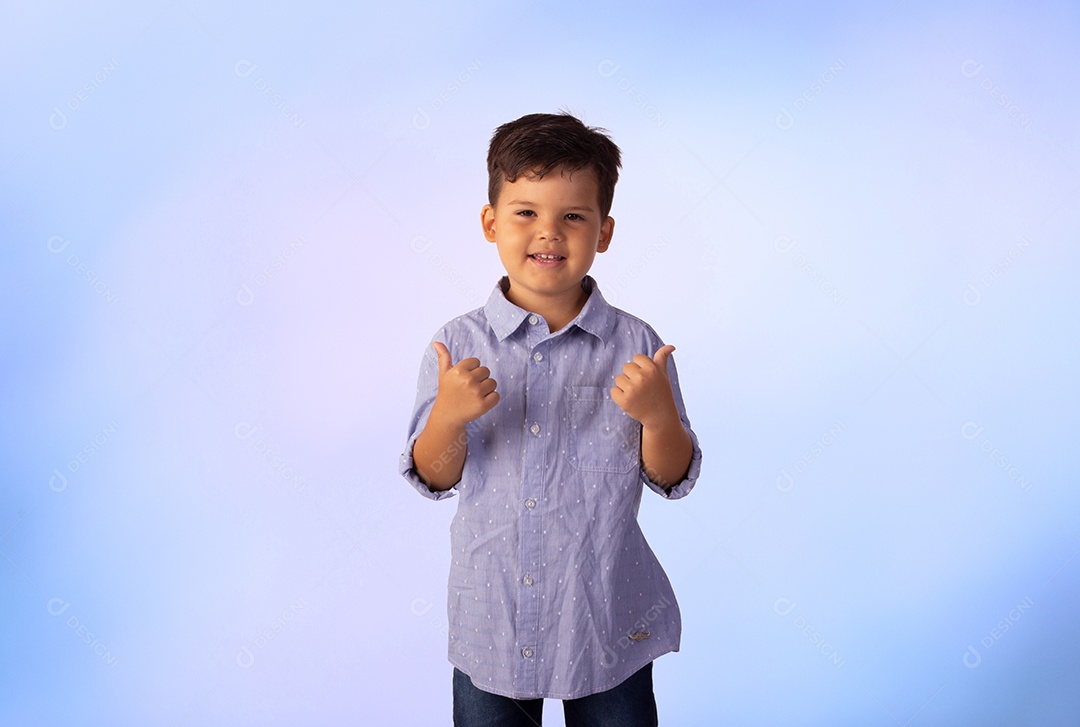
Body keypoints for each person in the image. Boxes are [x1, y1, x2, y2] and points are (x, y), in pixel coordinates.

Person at [399, 112, 702, 727]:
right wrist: (449, 418)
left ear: (604, 231)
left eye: (572, 216)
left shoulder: (637, 344)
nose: (549, 233)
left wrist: (657, 416)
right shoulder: (457, 343)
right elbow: (433, 477)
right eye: (526, 212)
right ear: (491, 222)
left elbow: (670, 478)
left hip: (606, 619)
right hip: (494, 617)